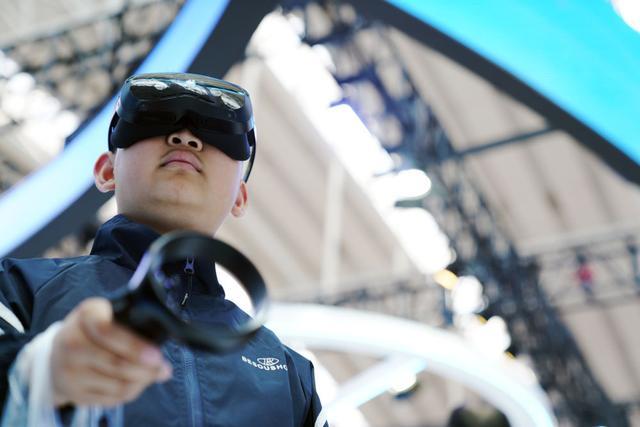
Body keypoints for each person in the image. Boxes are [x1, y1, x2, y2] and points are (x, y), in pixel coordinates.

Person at [0, 72, 324, 426]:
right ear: (107, 171)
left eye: (219, 131)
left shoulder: (291, 377)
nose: (185, 137)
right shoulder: (17, 289)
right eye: (151, 120)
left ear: (239, 197)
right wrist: (37, 371)